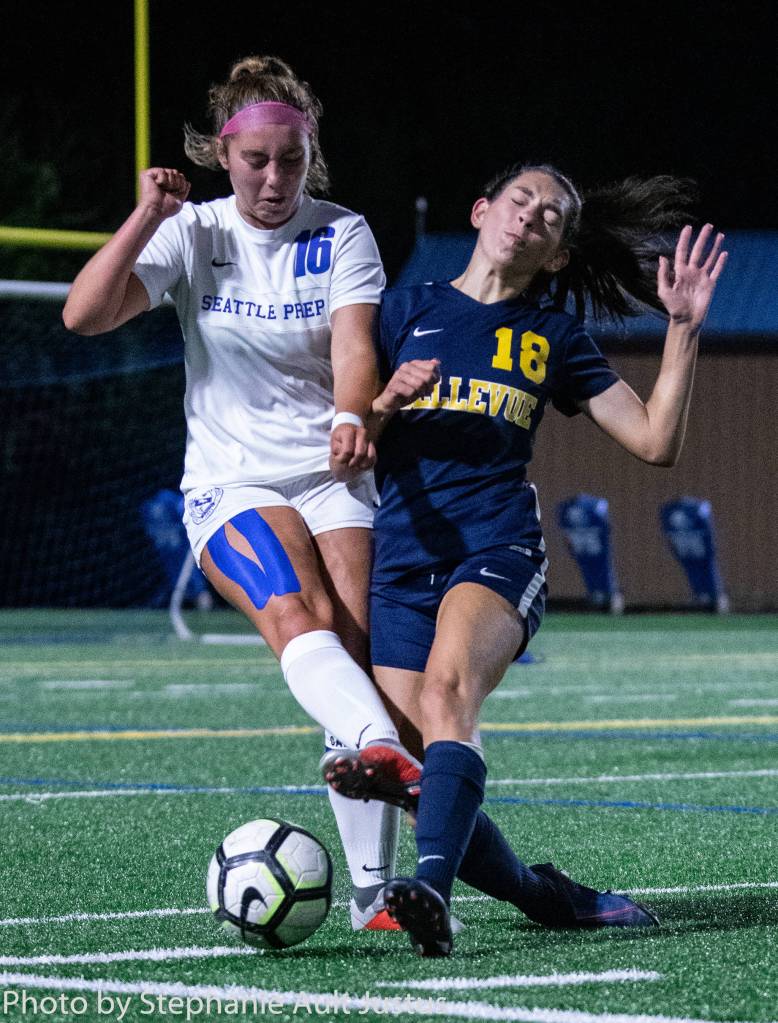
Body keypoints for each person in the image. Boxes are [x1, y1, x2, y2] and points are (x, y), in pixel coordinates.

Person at [322, 163, 727, 955]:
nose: (532, 216)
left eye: (551, 217)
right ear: (480, 211)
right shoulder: (400, 311)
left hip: (496, 546)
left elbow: (655, 442)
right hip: (402, 560)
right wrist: (383, 403)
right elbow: (349, 448)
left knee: (448, 697)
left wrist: (682, 328)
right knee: (415, 762)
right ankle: (545, 895)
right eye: (521, 200)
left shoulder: (553, 336)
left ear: (556, 257)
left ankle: (426, 893)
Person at [62, 54, 421, 932]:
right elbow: (84, 314)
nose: (273, 178)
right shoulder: (197, 231)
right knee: (299, 615)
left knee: (363, 651)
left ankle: (375, 895)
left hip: (331, 471)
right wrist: (150, 211)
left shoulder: (343, 232)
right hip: (232, 480)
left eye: (290, 160)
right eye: (257, 160)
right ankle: (377, 746)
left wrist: (351, 414)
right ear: (225, 155)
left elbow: (353, 345)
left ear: (310, 156)